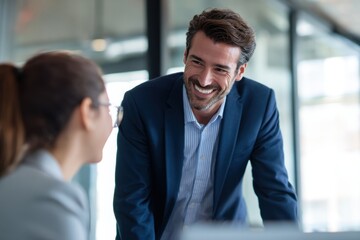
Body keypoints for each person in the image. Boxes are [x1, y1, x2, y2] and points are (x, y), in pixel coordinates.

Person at [113, 8, 298, 240]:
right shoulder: (141, 104)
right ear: (185, 56)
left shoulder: (259, 106)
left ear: (240, 71)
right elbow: (132, 199)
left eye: (220, 69)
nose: (204, 79)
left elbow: (274, 191)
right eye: (197, 62)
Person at [0, 51, 120, 239]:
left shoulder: (13, 177)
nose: (114, 121)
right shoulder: (52, 198)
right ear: (87, 111)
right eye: (108, 107)